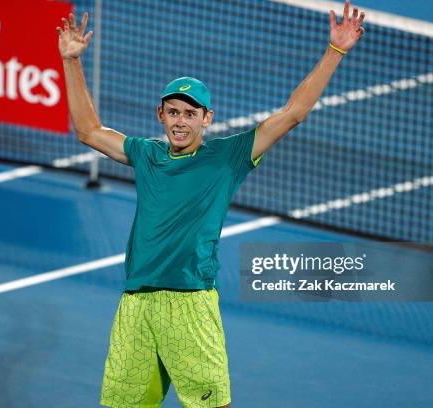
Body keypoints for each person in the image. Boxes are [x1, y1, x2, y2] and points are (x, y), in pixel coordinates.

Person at [57, 1, 364, 406]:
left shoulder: (228, 157)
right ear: (160, 116)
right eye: (172, 113)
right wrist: (71, 62)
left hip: (190, 303)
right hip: (136, 303)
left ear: (207, 118)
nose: (180, 121)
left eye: (189, 113)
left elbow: (293, 114)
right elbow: (89, 131)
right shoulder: (147, 154)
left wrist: (335, 51)